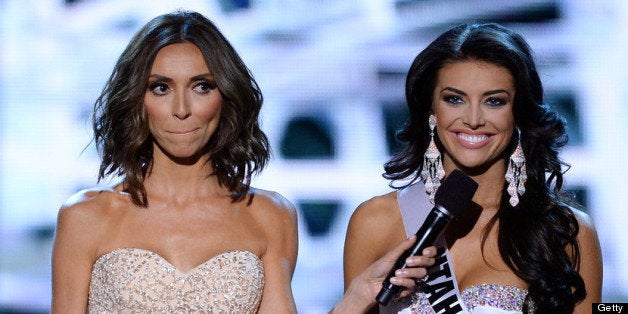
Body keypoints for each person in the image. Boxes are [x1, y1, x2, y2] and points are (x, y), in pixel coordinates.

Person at [343, 23, 602, 313]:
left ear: (518, 115)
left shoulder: (564, 231)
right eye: (454, 99)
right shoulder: (374, 221)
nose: (474, 119)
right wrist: (355, 300)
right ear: (431, 110)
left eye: (494, 101)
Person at [51, 10, 298, 313]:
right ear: (137, 99)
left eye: (201, 86)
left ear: (226, 96)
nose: (181, 109)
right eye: (161, 88)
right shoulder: (85, 216)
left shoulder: (269, 215)